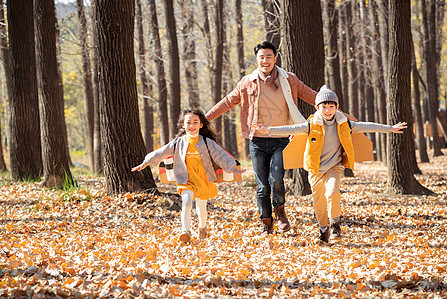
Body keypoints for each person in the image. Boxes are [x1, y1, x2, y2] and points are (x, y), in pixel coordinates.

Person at [253, 85, 407, 244]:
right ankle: (323, 229)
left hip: (333, 167)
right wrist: (268, 131)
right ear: (317, 108)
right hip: (315, 170)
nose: (327, 110)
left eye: (331, 106)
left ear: (337, 107)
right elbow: (292, 128)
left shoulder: (344, 123)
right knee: (319, 203)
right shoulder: (311, 124)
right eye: (324, 107)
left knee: (332, 193)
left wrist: (390, 128)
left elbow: (367, 125)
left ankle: (335, 225)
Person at [206, 41, 317, 236]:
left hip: (281, 138)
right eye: (261, 57)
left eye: (268, 57)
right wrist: (203, 119)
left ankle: (280, 211)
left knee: (276, 179)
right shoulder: (247, 82)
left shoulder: (289, 79)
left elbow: (313, 96)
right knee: (262, 186)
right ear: (257, 59)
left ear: (275, 58)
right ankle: (266, 222)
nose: (265, 60)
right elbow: (227, 102)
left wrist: (338, 111)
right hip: (256, 141)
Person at [132, 108, 246, 243]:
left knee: (201, 208)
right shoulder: (178, 142)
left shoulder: (206, 142)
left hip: (203, 179)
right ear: (183, 125)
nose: (191, 126)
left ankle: (202, 228)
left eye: (195, 122)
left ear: (201, 125)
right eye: (188, 123)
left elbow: (220, 154)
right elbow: (161, 152)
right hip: (186, 179)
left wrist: (233, 168)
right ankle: (185, 231)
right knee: (186, 201)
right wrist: (146, 162)